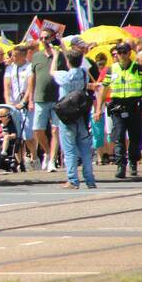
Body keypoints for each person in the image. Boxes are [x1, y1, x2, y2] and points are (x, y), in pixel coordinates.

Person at [101, 42, 142, 179]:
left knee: (135, 137)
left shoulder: (138, 68)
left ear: (130, 53)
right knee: (119, 137)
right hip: (118, 106)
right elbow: (104, 88)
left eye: (124, 52)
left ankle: (133, 162)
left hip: (134, 106)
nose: (122, 55)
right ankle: (120, 166)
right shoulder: (112, 69)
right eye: (119, 52)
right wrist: (97, 108)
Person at [51, 49, 97, 189]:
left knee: (69, 148)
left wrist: (55, 56)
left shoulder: (65, 76)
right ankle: (90, 180)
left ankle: (73, 180)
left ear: (68, 62)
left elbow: (52, 72)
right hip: (81, 113)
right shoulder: (83, 73)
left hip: (67, 113)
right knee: (84, 147)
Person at [28, 26, 62, 173]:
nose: (43, 40)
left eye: (46, 37)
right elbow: (32, 78)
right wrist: (30, 99)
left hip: (57, 98)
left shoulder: (60, 55)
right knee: (37, 129)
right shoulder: (36, 56)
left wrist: (59, 51)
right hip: (40, 97)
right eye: (41, 38)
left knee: (55, 130)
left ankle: (53, 160)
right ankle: (47, 152)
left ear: (52, 38)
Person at [4, 44, 34, 169]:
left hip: (25, 105)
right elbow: (7, 87)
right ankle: (19, 161)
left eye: (15, 55)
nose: (13, 58)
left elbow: (30, 86)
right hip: (13, 105)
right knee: (16, 134)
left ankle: (34, 156)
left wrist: (24, 101)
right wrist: (8, 102)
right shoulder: (10, 68)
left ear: (23, 56)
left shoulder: (29, 67)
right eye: (12, 55)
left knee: (27, 134)